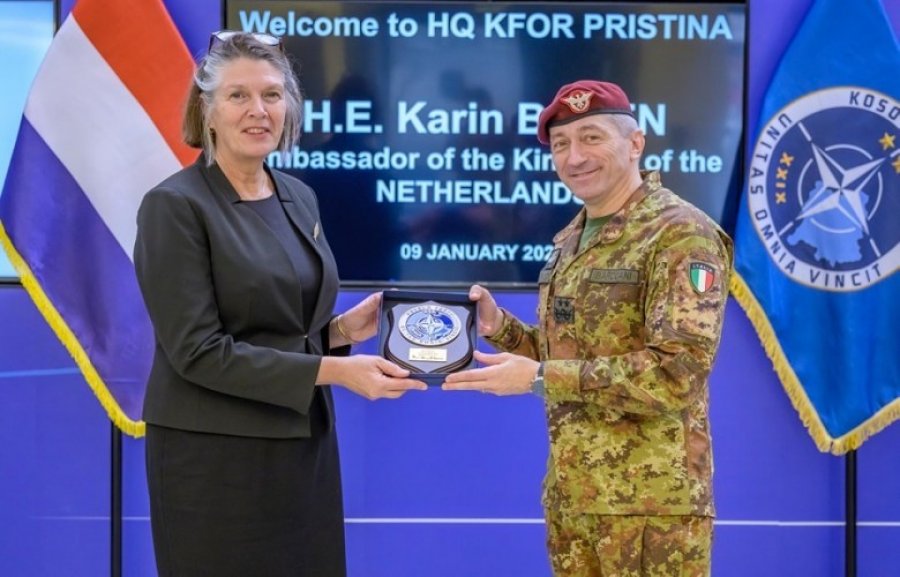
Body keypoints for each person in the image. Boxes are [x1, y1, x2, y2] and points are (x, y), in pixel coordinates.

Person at [133, 31, 426, 577]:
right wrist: (336, 370)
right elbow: (198, 352)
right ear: (207, 110)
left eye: (272, 94)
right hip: (214, 462)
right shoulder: (173, 206)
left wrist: (341, 331)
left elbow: (277, 325)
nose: (258, 110)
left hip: (302, 446)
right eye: (238, 95)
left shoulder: (298, 195)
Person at [444, 80, 733, 576]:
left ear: (635, 143)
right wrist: (501, 328)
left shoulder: (680, 233)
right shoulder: (572, 237)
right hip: (575, 497)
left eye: (591, 137)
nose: (574, 157)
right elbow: (570, 353)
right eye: (561, 144)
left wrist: (539, 378)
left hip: (650, 509)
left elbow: (677, 373)